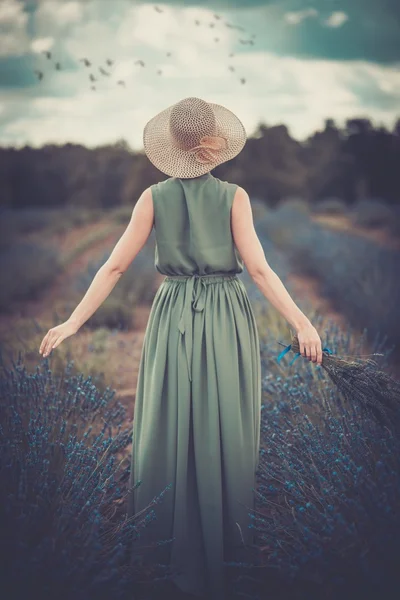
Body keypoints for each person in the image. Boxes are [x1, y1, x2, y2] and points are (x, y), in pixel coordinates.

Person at [38, 97, 323, 599]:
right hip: (225, 314)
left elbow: (113, 267)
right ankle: (224, 545)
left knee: (169, 421)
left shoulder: (152, 197)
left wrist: (73, 320)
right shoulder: (235, 196)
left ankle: (168, 548)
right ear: (214, 145)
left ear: (172, 147)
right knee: (224, 422)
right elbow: (258, 268)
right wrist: (302, 321)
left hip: (172, 316)